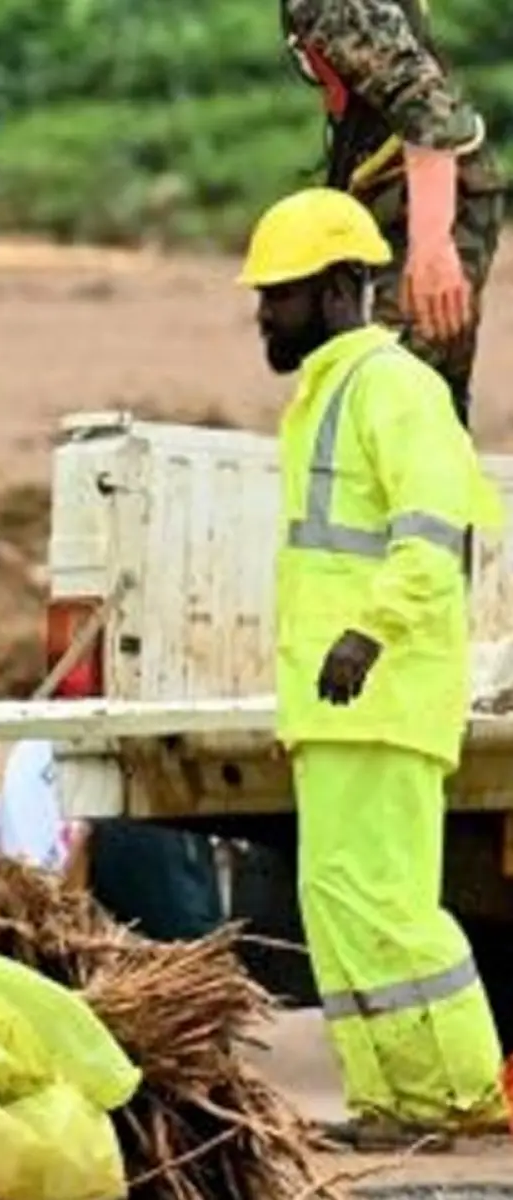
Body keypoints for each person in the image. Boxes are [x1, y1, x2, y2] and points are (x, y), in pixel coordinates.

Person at [238, 185, 508, 1149]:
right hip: (336, 707)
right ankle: (395, 1104)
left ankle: (468, 1098)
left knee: (391, 910)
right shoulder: (324, 396)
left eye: (280, 293)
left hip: (384, 693)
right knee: (339, 908)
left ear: (344, 285)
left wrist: (367, 634)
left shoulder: (392, 388)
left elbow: (430, 538)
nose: (262, 312)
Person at [281, 0, 503, 425]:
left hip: (432, 197)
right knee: (399, 392)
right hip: (391, 190)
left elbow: (428, 109)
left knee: (399, 393)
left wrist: (432, 246)